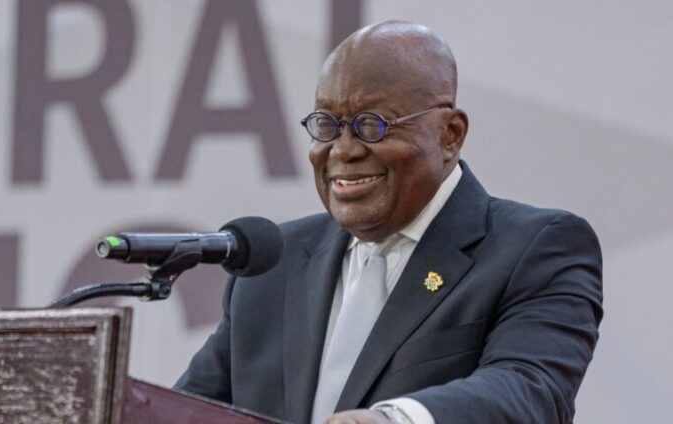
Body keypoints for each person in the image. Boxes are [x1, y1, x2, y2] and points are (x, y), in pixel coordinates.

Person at [174, 20, 603, 424]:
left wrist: (393, 420)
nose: (343, 149)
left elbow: (532, 389)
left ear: (450, 134)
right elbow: (185, 410)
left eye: (372, 125)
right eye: (327, 125)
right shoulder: (274, 265)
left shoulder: (536, 248)